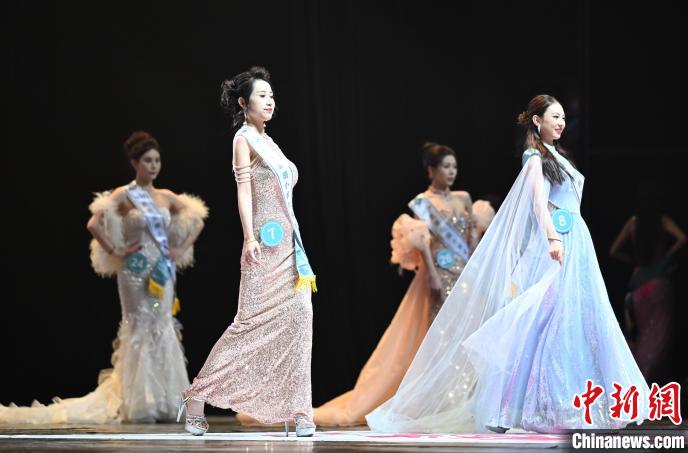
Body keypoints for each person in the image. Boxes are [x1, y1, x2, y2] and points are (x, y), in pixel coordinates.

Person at [366, 94, 650, 434]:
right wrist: (553, 238)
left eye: (563, 117)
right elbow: (539, 202)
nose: (561, 122)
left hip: (577, 240)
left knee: (574, 315)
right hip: (559, 238)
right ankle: (532, 403)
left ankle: (571, 399)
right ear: (537, 121)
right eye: (554, 116)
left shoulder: (559, 156)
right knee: (547, 315)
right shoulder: (535, 157)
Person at [0, 131, 207, 424]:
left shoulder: (166, 196)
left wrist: (181, 248)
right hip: (135, 271)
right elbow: (94, 223)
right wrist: (115, 249)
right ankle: (140, 402)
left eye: (157, 160)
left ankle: (166, 400)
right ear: (134, 162)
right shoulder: (124, 194)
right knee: (139, 326)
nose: (153, 166)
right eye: (147, 161)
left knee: (162, 325)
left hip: (162, 271)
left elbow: (197, 219)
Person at [311, 143, 495, 427]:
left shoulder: (464, 198)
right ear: (431, 170)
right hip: (440, 275)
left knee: (467, 332)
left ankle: (467, 398)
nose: (451, 172)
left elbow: (471, 242)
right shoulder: (422, 202)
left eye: (454, 167)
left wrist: (475, 253)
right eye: (445, 167)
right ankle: (440, 400)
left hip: (465, 276)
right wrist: (431, 275)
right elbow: (424, 244)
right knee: (441, 335)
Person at [177, 66, 317, 437]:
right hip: (262, 246)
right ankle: (198, 395)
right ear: (243, 102)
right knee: (248, 324)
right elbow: (243, 190)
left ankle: (300, 409)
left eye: (271, 95)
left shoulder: (270, 142)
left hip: (289, 246)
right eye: (261, 96)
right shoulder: (244, 139)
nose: (269, 101)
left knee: (301, 317)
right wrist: (248, 237)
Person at [609, 182, 687, 383]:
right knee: (659, 338)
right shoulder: (662, 221)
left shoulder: (633, 223)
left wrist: (632, 261)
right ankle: (649, 384)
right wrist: (666, 257)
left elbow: (613, 251)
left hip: (637, 287)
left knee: (640, 337)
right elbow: (682, 238)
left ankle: (637, 383)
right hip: (659, 284)